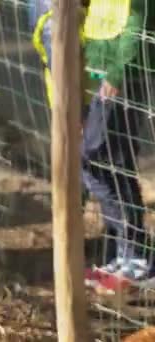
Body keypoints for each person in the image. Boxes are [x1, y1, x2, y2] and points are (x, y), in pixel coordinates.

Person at [80, 0, 154, 290]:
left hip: (122, 74)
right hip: (101, 69)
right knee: (111, 160)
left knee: (97, 158)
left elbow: (137, 20)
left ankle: (136, 253)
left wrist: (117, 72)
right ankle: (126, 253)